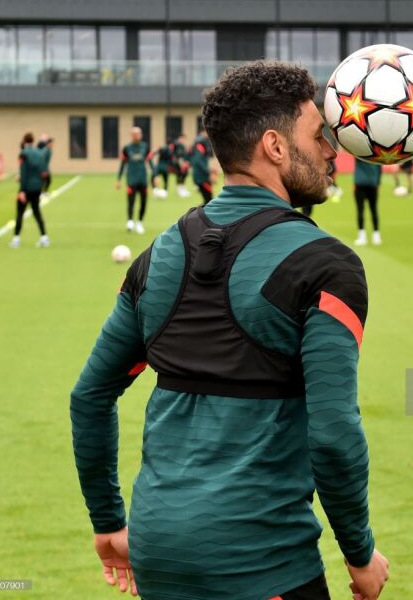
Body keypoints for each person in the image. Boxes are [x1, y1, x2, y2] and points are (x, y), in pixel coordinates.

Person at [71, 61, 389, 600]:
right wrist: (359, 553)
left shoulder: (158, 254)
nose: (333, 151)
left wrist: (107, 522)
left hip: (158, 556)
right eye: (318, 135)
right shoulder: (327, 265)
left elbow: (89, 396)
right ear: (275, 146)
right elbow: (334, 433)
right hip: (261, 565)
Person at [9, 132, 49, 248]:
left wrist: (22, 190)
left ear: (24, 140)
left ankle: (16, 239)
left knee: (20, 213)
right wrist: (41, 185)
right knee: (37, 212)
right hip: (37, 187)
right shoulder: (39, 153)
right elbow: (43, 172)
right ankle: (44, 238)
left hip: (26, 188)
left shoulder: (24, 154)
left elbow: (24, 172)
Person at [115, 127, 153, 234]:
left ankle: (139, 222)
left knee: (143, 202)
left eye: (139, 133)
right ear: (132, 135)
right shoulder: (127, 148)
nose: (137, 135)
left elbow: (150, 162)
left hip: (143, 179)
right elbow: (122, 164)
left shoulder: (145, 146)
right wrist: (118, 179)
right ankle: (130, 221)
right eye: (135, 134)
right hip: (131, 179)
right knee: (131, 201)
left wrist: (154, 176)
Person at [353, 158, 382, 246]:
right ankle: (375, 235)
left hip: (362, 184)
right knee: (373, 210)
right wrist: (378, 183)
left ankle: (364, 236)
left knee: (362, 210)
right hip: (370, 183)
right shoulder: (376, 156)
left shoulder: (360, 155)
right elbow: (380, 169)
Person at [187, 128, 218, 204]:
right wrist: (209, 172)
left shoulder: (201, 142)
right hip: (201, 176)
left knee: (208, 201)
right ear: (205, 131)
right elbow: (198, 161)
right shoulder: (200, 143)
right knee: (208, 201)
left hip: (201, 175)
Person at [170, 133, 192, 198]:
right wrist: (179, 162)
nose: (183, 140)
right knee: (179, 175)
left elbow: (184, 154)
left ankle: (182, 188)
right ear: (180, 138)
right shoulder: (176, 144)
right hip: (178, 163)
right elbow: (175, 154)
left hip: (184, 163)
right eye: (183, 139)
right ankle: (179, 189)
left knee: (184, 175)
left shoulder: (182, 146)